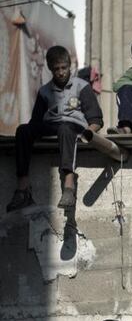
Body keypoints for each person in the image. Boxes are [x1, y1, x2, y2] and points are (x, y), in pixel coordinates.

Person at [6, 45, 103, 212]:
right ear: (51, 69)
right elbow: (36, 121)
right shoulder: (45, 91)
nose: (61, 72)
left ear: (70, 65)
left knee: (65, 128)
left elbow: (96, 119)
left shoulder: (82, 86)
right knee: (23, 130)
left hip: (73, 126)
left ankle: (69, 185)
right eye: (56, 69)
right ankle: (23, 188)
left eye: (64, 68)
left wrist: (89, 133)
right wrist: (30, 135)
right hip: (52, 125)